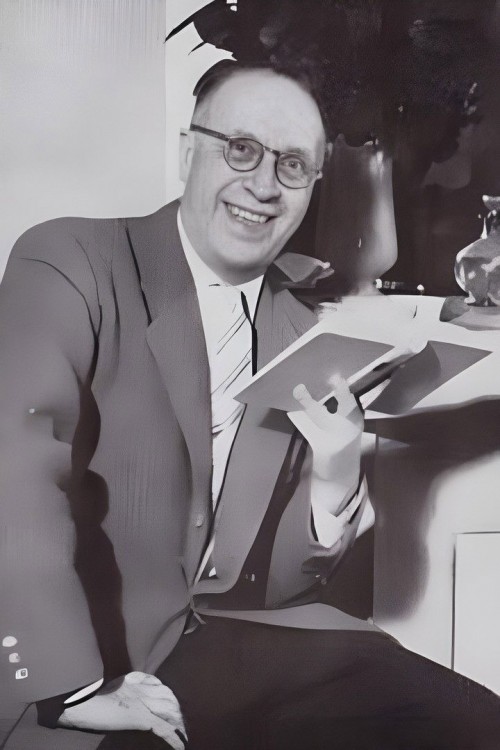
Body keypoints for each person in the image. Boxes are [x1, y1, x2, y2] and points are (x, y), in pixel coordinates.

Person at [1, 62, 500, 750]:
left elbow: (270, 585)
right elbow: (15, 472)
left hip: (223, 646)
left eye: (293, 164)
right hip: (82, 658)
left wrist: (334, 473)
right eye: (241, 149)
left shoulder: (298, 328)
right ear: (188, 153)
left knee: (475, 724)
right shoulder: (70, 259)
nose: (265, 185)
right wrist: (70, 684)